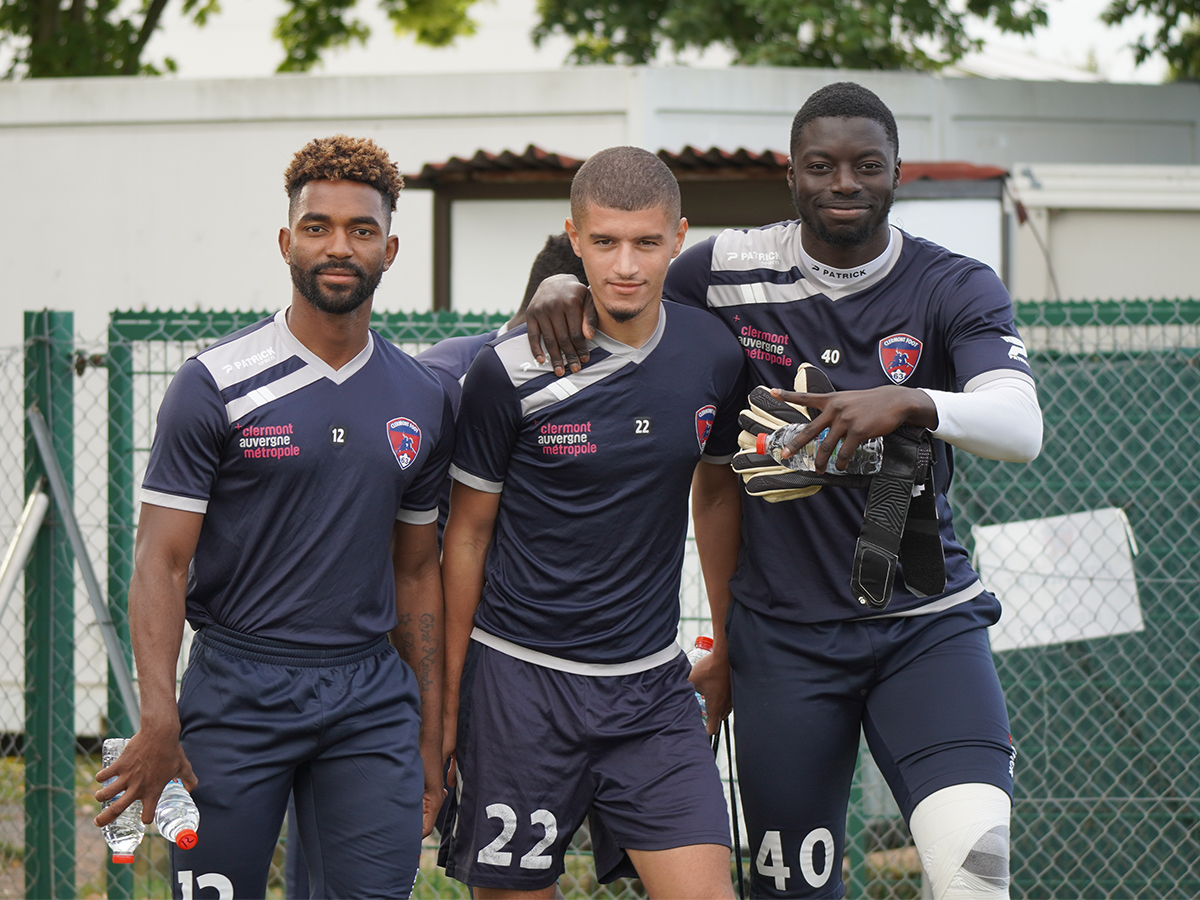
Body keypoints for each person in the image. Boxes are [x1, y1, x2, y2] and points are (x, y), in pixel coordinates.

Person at [523, 82, 1043, 900]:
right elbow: (628, 297)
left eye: (867, 165)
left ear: (898, 172)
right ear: (790, 174)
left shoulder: (953, 285)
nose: (844, 182)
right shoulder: (725, 271)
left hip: (924, 626)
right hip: (785, 641)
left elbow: (1020, 425)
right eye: (821, 165)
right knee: (792, 891)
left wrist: (908, 402)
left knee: (975, 870)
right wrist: (561, 292)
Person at [93, 135, 454, 899]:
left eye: (361, 230)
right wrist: (159, 716)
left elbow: (418, 570)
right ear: (287, 242)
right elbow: (160, 561)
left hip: (368, 698)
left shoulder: (422, 397)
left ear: (390, 249)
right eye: (318, 227)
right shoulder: (212, 385)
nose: (338, 246)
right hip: (236, 687)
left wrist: (430, 732)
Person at [440, 145, 745, 899]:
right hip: (520, 685)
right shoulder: (507, 370)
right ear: (574, 240)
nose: (627, 265)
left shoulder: (714, 354)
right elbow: (466, 537)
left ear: (679, 236)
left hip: (651, 690)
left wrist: (731, 644)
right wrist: (445, 704)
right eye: (604, 242)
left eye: (646, 242)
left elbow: (715, 494)